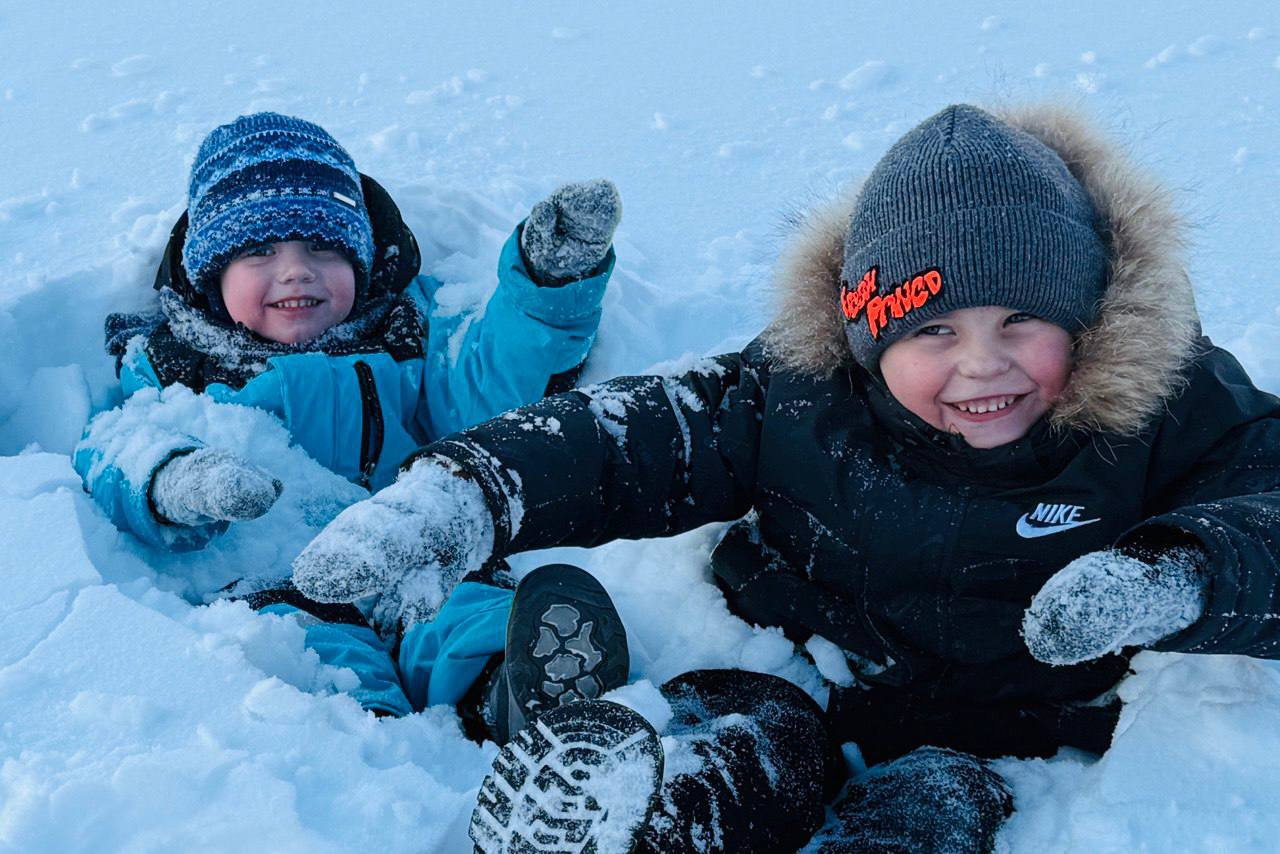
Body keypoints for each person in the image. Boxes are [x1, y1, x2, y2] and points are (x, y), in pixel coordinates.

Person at [290, 104, 1280, 852]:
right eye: (931, 329)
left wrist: (1176, 569)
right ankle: (631, 809)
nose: (983, 364)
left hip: (1008, 724)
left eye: (1022, 322)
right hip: (811, 666)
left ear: (1087, 318)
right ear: (864, 332)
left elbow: (1266, 498)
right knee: (737, 729)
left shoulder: (1165, 403)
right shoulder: (800, 395)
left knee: (931, 805)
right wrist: (468, 489)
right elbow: (632, 436)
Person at [74, 111, 625, 720]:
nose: (296, 269)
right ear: (213, 273)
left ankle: (523, 697)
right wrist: (174, 480)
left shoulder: (399, 338)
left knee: (479, 617)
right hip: (282, 588)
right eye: (258, 249)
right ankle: (367, 746)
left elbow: (484, 392)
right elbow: (114, 443)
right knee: (322, 664)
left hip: (413, 553)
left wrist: (546, 283)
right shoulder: (179, 367)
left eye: (321, 246)